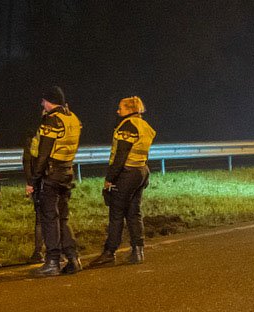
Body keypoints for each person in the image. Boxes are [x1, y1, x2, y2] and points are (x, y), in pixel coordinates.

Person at [88, 96, 156, 266]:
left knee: (116, 214)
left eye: (121, 108)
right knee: (134, 212)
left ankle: (109, 252)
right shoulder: (144, 126)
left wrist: (109, 179)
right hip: (141, 170)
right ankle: (138, 251)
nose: (118, 111)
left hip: (127, 173)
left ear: (130, 109)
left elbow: (120, 156)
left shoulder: (127, 126)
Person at [26, 86, 83, 276]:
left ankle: (52, 261)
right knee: (63, 218)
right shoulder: (72, 118)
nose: (42, 104)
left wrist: (34, 180)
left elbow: (43, 154)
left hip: (51, 174)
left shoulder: (51, 121)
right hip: (67, 171)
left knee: (49, 218)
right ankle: (73, 258)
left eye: (43, 101)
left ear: (49, 101)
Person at [20, 127, 44, 264]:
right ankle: (58, 251)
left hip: (38, 183)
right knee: (56, 217)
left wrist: (30, 182)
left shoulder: (32, 141)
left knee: (40, 219)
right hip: (55, 180)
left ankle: (38, 252)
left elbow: (27, 162)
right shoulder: (57, 136)